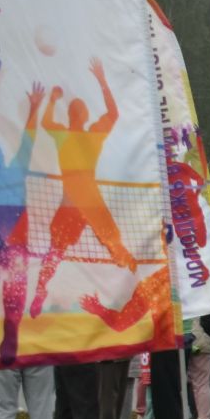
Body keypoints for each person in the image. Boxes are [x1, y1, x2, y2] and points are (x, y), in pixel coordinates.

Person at [31, 60, 139, 316]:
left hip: (78, 200)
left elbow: (48, 121)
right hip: (84, 201)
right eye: (77, 110)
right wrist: (99, 82)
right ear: (80, 116)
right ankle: (40, 292)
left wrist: (55, 99)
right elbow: (112, 114)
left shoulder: (71, 134)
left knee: (69, 250)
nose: (78, 113)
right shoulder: (83, 134)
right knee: (108, 246)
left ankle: (41, 289)